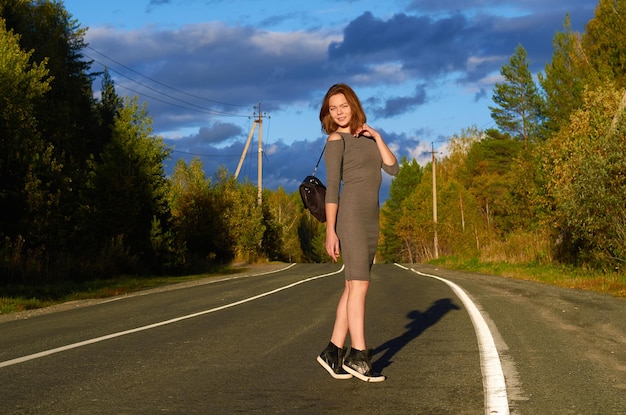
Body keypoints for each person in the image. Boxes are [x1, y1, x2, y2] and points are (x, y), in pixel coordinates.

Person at [316, 83, 399, 382]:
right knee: (360, 285)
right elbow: (332, 191)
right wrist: (331, 231)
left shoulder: (366, 138)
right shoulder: (335, 140)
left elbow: (393, 168)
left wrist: (376, 136)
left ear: (353, 105)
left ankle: (332, 351)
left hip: (370, 219)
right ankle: (359, 356)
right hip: (349, 217)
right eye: (332, 108)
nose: (338, 112)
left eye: (343, 106)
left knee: (353, 286)